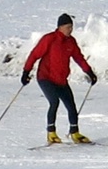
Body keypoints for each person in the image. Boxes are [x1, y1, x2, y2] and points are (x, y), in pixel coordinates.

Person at [21, 13, 98, 144]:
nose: (70, 30)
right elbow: (34, 55)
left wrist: (89, 72)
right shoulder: (49, 39)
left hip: (61, 80)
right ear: (60, 27)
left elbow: (79, 58)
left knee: (71, 105)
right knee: (54, 102)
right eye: (68, 27)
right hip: (46, 77)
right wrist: (26, 72)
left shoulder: (71, 41)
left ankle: (75, 133)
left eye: (71, 27)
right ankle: (51, 132)